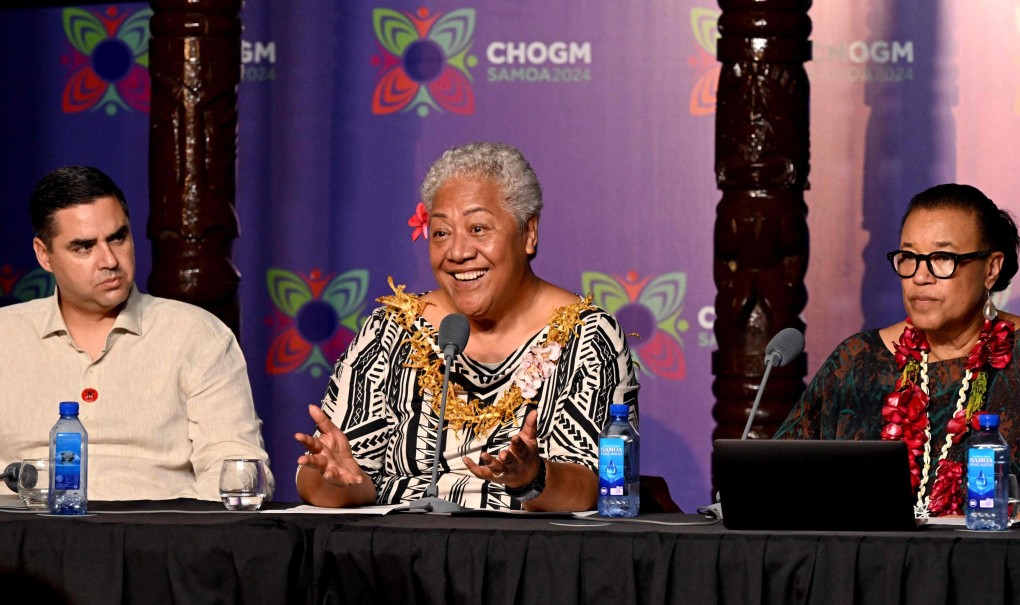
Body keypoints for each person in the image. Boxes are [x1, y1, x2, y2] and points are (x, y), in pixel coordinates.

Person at [295, 141, 639, 511]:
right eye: (441, 233)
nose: (457, 253)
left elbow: (596, 489)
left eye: (478, 228)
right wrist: (330, 479)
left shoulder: (586, 335)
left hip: (531, 558)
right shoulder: (391, 331)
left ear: (529, 233)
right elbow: (342, 483)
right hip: (402, 558)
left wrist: (532, 478)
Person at [0, 166, 274, 501]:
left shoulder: (198, 336)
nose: (109, 260)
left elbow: (234, 469)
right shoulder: (6, 336)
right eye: (84, 247)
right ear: (45, 255)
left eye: (118, 237)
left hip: (159, 541)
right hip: (26, 543)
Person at [776, 183, 1020, 517]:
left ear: (991, 269)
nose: (920, 277)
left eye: (942, 258)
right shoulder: (858, 361)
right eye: (909, 258)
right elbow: (777, 480)